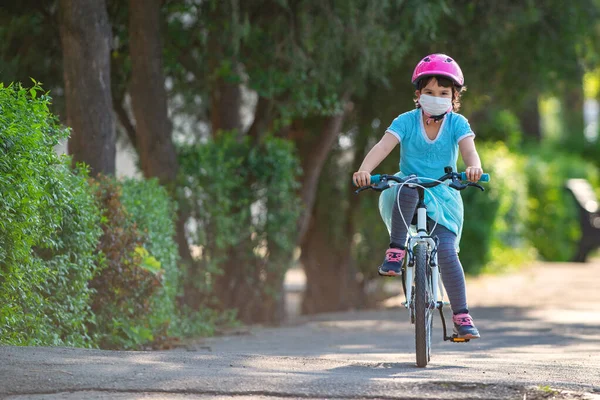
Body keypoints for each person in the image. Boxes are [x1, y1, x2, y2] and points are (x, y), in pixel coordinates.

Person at [352, 54, 483, 339]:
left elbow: (470, 151)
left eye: (443, 93)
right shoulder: (406, 121)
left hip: (443, 197)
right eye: (429, 92)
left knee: (448, 251)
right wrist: (364, 169)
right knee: (408, 184)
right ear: (418, 94)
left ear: (454, 97)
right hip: (404, 196)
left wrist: (474, 167)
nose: (436, 97)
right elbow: (383, 146)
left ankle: (461, 316)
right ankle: (396, 249)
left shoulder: (458, 124)